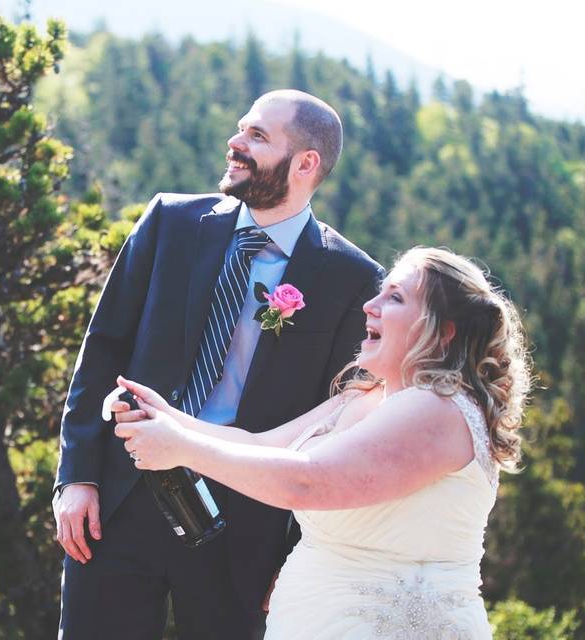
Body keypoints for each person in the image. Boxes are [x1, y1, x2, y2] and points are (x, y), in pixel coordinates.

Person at [54, 89, 383, 639]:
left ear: (306, 163)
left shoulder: (351, 279)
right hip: (119, 498)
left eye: (257, 136)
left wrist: (300, 553)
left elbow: (338, 424)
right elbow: (104, 347)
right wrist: (77, 477)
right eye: (241, 129)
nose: (235, 143)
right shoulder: (170, 222)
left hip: (246, 525)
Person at [111, 247, 533, 639]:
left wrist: (180, 447)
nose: (370, 306)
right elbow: (260, 445)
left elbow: (307, 483)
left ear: (444, 332)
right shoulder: (362, 396)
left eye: (396, 298)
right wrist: (165, 416)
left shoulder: (439, 408)